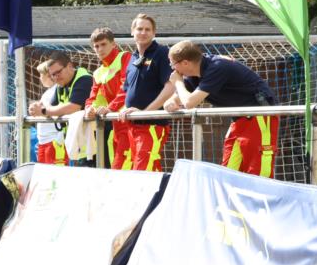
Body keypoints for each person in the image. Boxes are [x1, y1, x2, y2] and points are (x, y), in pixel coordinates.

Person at [165, 40, 280, 177]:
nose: (173, 70)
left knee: (258, 169)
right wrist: (171, 101)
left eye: (173, 64)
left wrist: (178, 82)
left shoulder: (217, 67)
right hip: (239, 119)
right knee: (229, 169)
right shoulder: (194, 75)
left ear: (185, 63)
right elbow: (178, 98)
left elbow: (189, 102)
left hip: (259, 116)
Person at [117, 14, 175, 172]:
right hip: (132, 126)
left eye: (147, 29)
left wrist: (145, 112)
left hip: (152, 126)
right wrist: (123, 108)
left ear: (154, 33)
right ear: (132, 32)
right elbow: (127, 91)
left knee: (143, 172)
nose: (143, 32)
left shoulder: (162, 53)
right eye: (139, 29)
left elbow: (171, 87)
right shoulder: (133, 57)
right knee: (147, 170)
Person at [83, 27, 132, 170]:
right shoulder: (98, 72)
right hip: (115, 125)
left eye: (103, 44)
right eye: (96, 46)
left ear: (113, 44)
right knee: (115, 168)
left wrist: (110, 107)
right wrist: (89, 109)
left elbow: (126, 87)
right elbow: (92, 98)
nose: (99, 49)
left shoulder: (125, 57)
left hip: (131, 123)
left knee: (124, 168)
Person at [35, 51, 94, 166]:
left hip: (95, 144)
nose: (56, 77)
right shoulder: (61, 85)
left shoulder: (84, 79)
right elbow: (52, 108)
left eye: (59, 72)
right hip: (80, 145)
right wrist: (38, 108)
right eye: (53, 75)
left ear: (70, 66)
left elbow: (73, 107)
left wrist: (43, 111)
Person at [27, 61, 65, 165]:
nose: (40, 78)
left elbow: (55, 110)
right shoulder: (47, 92)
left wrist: (41, 110)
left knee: (54, 175)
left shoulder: (58, 89)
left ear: (49, 76)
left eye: (41, 75)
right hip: (43, 140)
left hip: (53, 141)